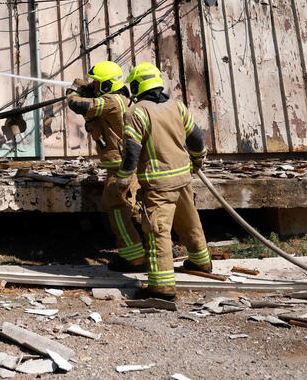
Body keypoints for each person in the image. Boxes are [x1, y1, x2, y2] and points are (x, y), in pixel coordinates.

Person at [115, 62, 212, 301]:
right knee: (190, 221)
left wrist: (123, 178)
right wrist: (198, 159)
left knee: (158, 232)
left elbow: (132, 150)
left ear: (136, 85)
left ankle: (162, 289)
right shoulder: (176, 106)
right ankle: (201, 263)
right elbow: (196, 136)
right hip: (182, 179)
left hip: (158, 187)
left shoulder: (137, 112)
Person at [65, 60, 145, 270]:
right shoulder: (119, 97)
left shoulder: (111, 102)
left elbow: (79, 105)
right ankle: (158, 247)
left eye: (98, 83)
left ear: (108, 85)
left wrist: (73, 92)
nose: (94, 85)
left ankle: (134, 258)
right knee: (136, 207)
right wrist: (89, 88)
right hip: (129, 164)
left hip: (120, 167)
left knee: (116, 209)